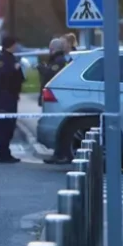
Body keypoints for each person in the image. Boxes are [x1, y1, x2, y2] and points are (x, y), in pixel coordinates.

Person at [0, 35, 25, 164]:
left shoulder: (12, 58)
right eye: (15, 44)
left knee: (10, 125)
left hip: (12, 95)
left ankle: (5, 150)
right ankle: (2, 152)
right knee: (4, 126)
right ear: (11, 45)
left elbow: (20, 77)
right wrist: (13, 69)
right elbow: (0, 75)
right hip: (4, 96)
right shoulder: (0, 59)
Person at [42, 37, 75, 165]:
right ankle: (58, 153)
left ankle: (60, 154)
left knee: (58, 125)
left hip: (57, 98)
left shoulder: (59, 60)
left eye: (51, 48)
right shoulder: (58, 59)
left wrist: (42, 69)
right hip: (56, 97)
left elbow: (52, 75)